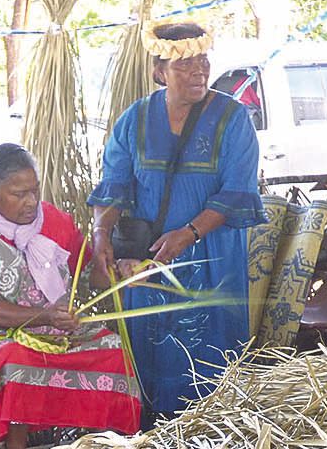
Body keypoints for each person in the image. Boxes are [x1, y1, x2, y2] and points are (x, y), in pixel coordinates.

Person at [90, 21, 266, 417]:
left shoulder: (233, 119)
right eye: (184, 65)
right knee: (148, 361)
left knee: (208, 361)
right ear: (159, 72)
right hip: (147, 265)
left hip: (211, 263)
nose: (198, 71)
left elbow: (237, 191)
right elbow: (113, 185)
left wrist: (188, 234)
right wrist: (101, 233)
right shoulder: (133, 121)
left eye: (202, 61)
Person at [0, 143, 141, 449]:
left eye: (34, 191)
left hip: (57, 328)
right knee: (13, 358)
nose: (31, 202)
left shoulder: (53, 221)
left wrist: (119, 271)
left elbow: (91, 273)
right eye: (19, 194)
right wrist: (43, 315)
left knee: (113, 349)